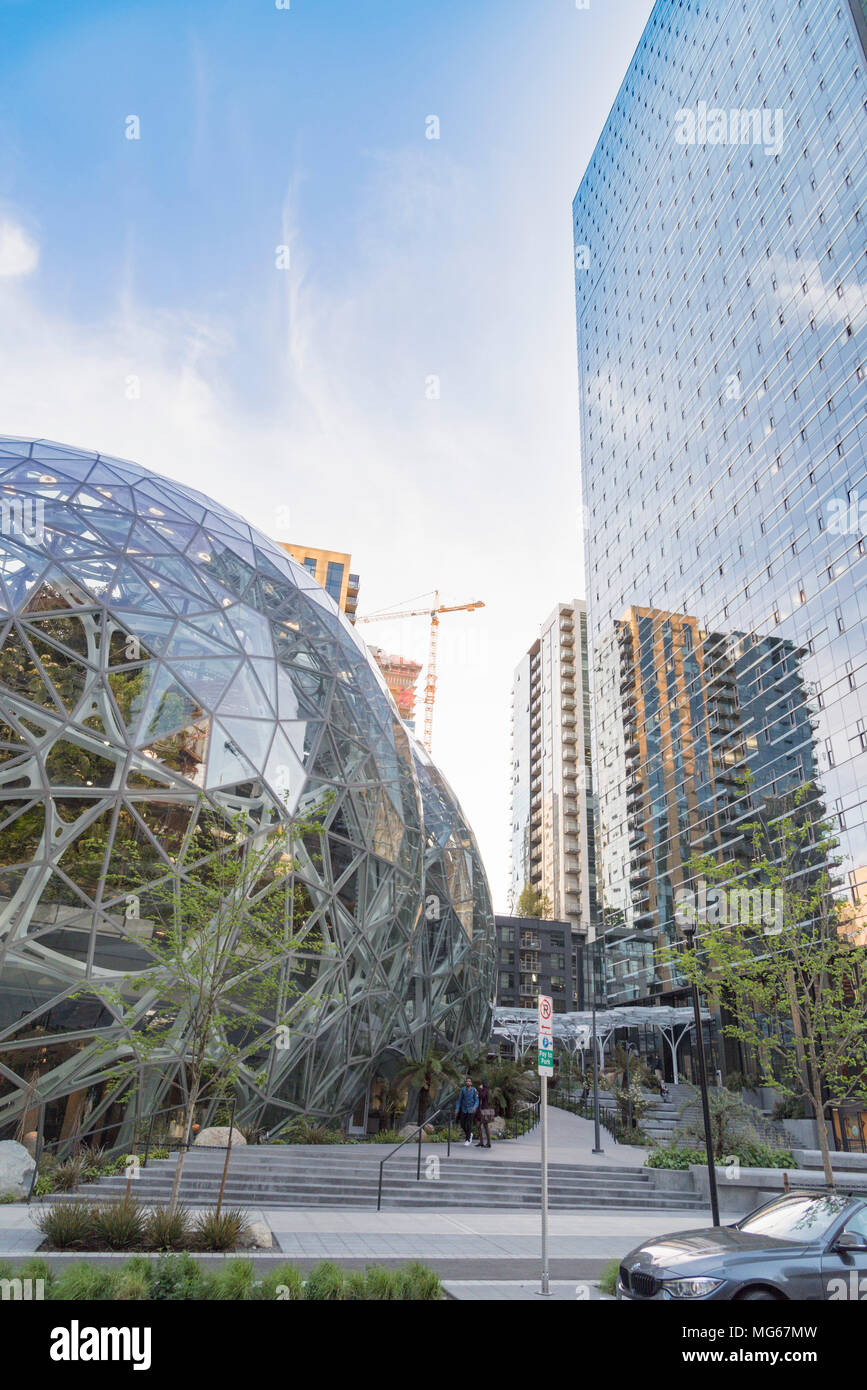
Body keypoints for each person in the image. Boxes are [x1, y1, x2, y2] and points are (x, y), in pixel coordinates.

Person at [455, 1076, 479, 1146]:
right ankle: (469, 1134)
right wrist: (457, 1109)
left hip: (471, 1110)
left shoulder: (474, 1090)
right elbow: (459, 1100)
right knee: (462, 1125)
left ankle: (467, 1139)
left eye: (469, 1081)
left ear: (471, 1083)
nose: (468, 1082)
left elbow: (477, 1100)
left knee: (468, 1124)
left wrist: (474, 1107)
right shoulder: (463, 1090)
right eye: (467, 1081)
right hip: (464, 1109)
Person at [475, 1080, 493, 1148]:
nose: (480, 1085)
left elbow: (482, 1096)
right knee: (478, 1125)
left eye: (481, 1084)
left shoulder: (485, 1090)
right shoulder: (483, 1090)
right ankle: (481, 1142)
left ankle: (488, 1143)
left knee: (485, 1126)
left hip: (484, 1111)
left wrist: (480, 1090)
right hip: (479, 1111)